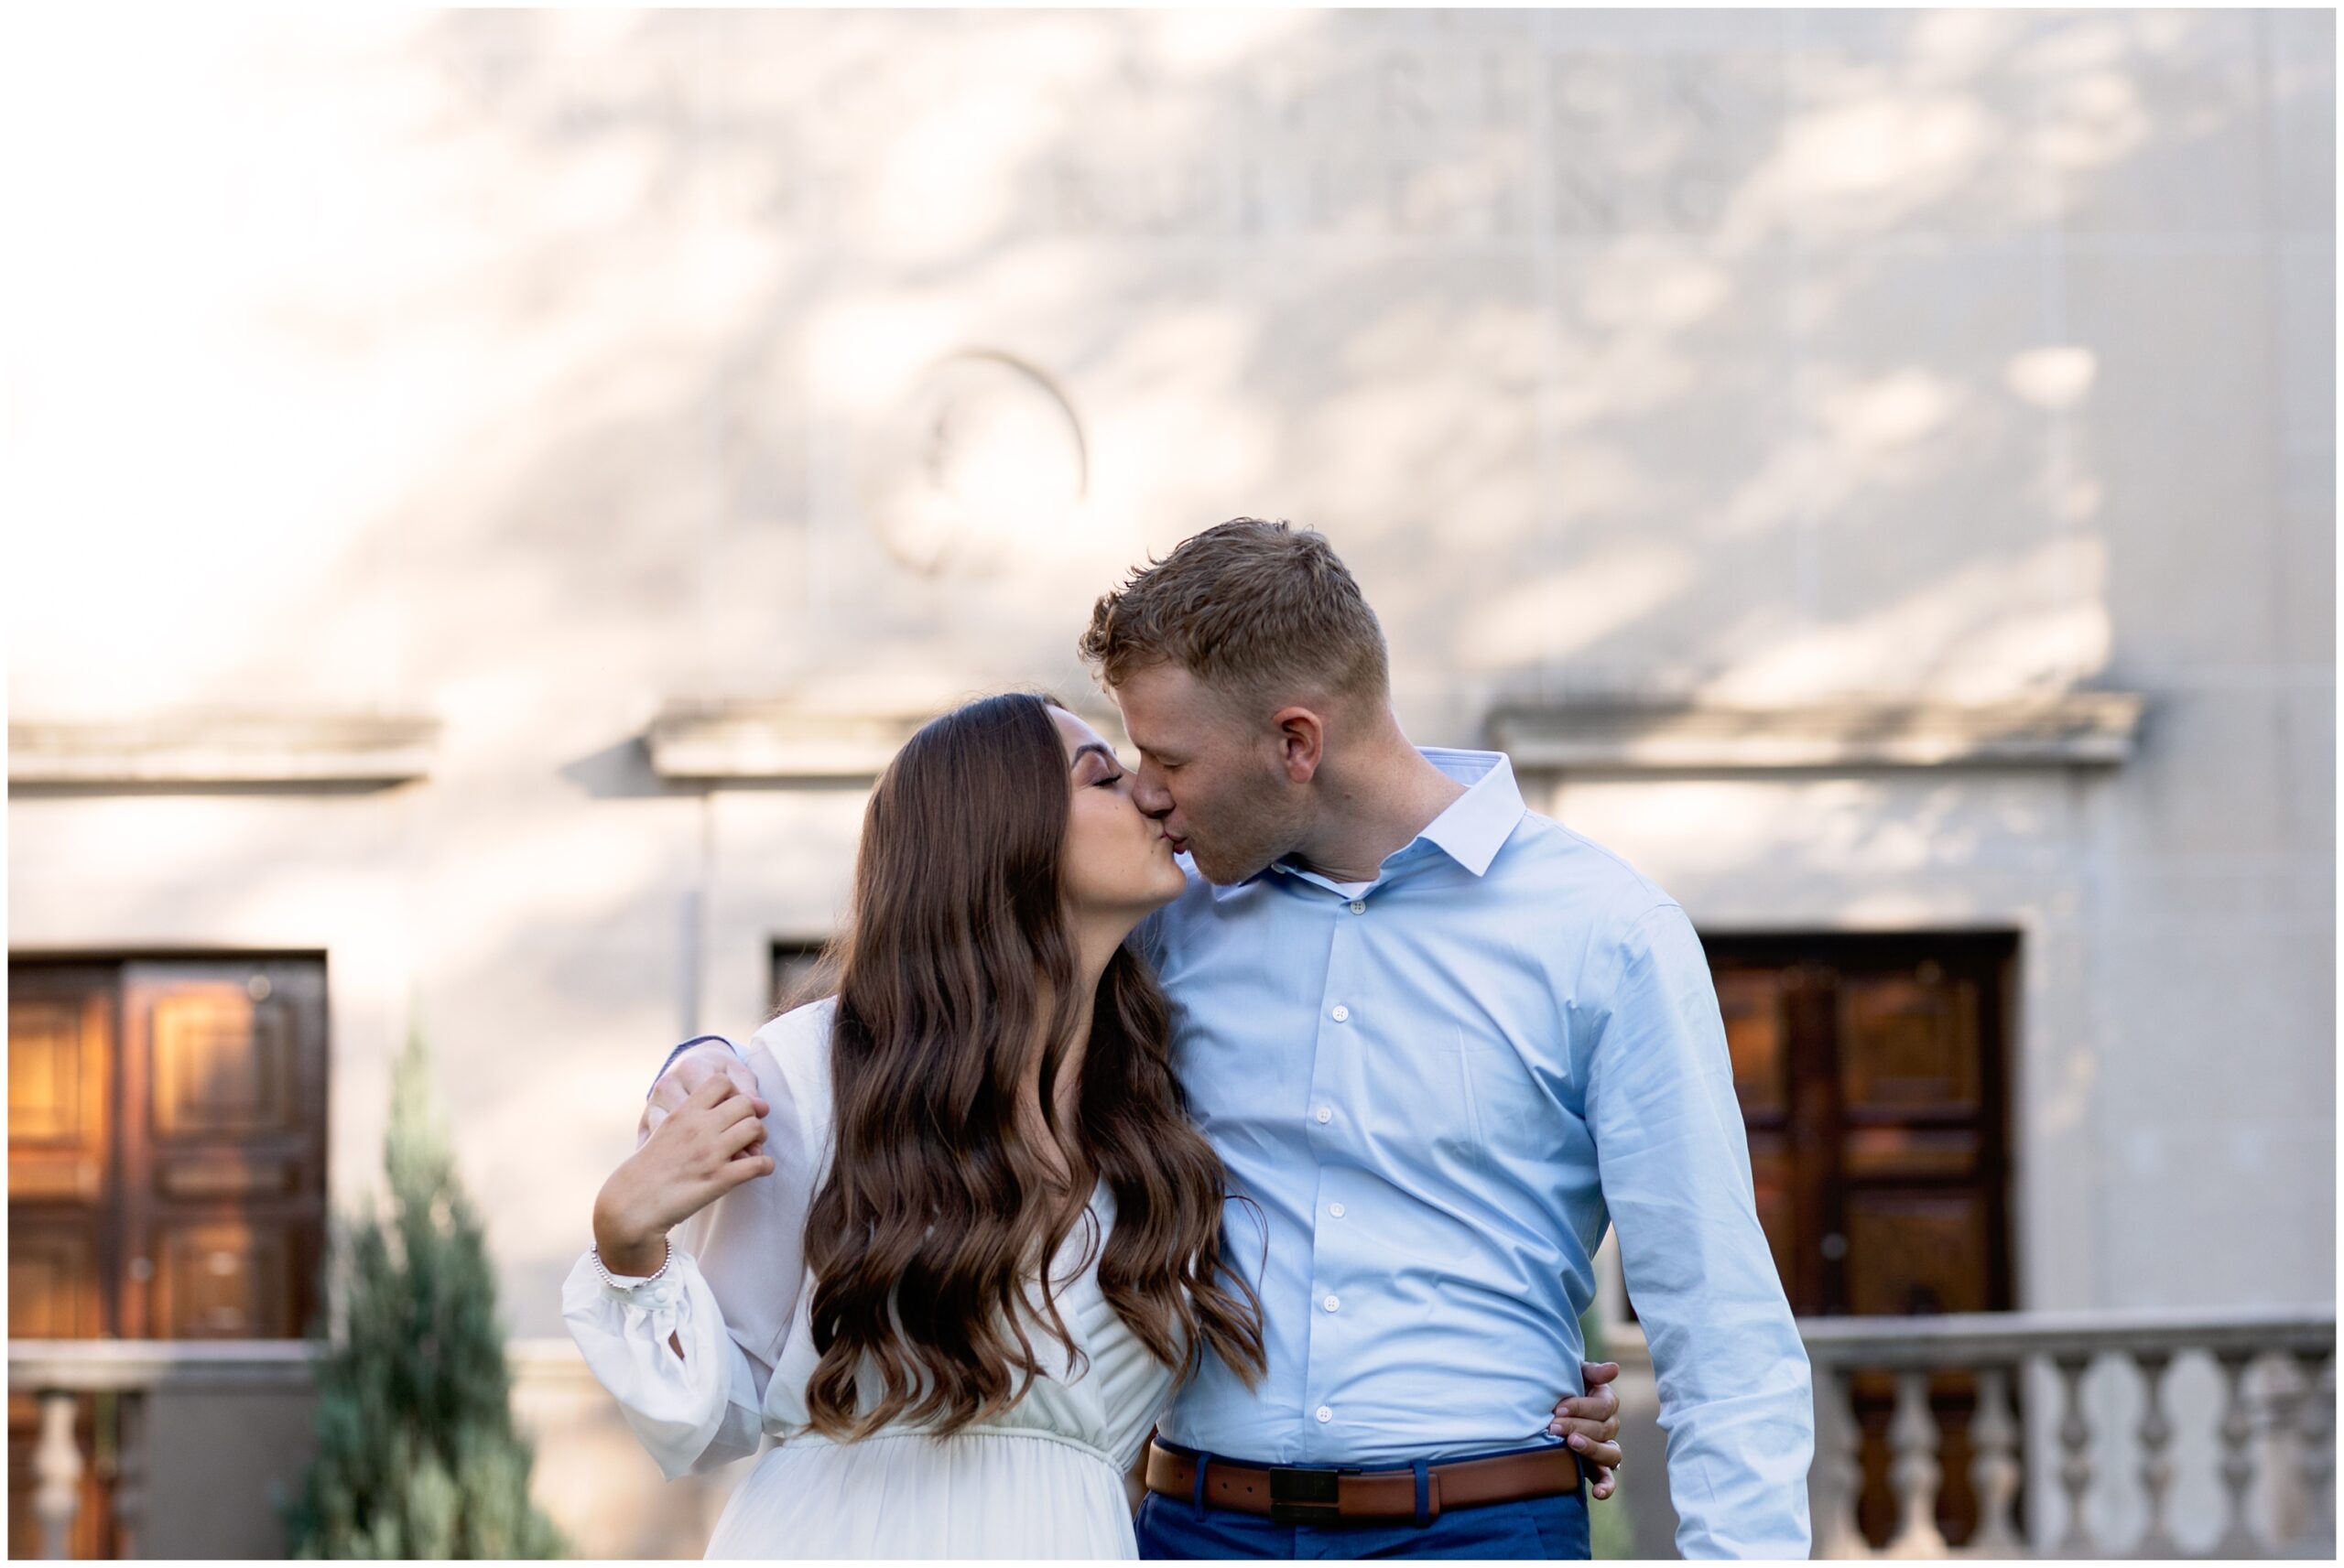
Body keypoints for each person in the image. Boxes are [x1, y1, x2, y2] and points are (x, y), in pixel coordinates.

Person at [572, 691, 1624, 1558]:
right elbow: (721, 1411)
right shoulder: (812, 1076)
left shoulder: (1158, 1107)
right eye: (1103, 777)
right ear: (1001, 832)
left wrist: (1506, 1379)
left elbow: (1323, 1252)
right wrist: (629, 1246)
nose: (1155, 798)